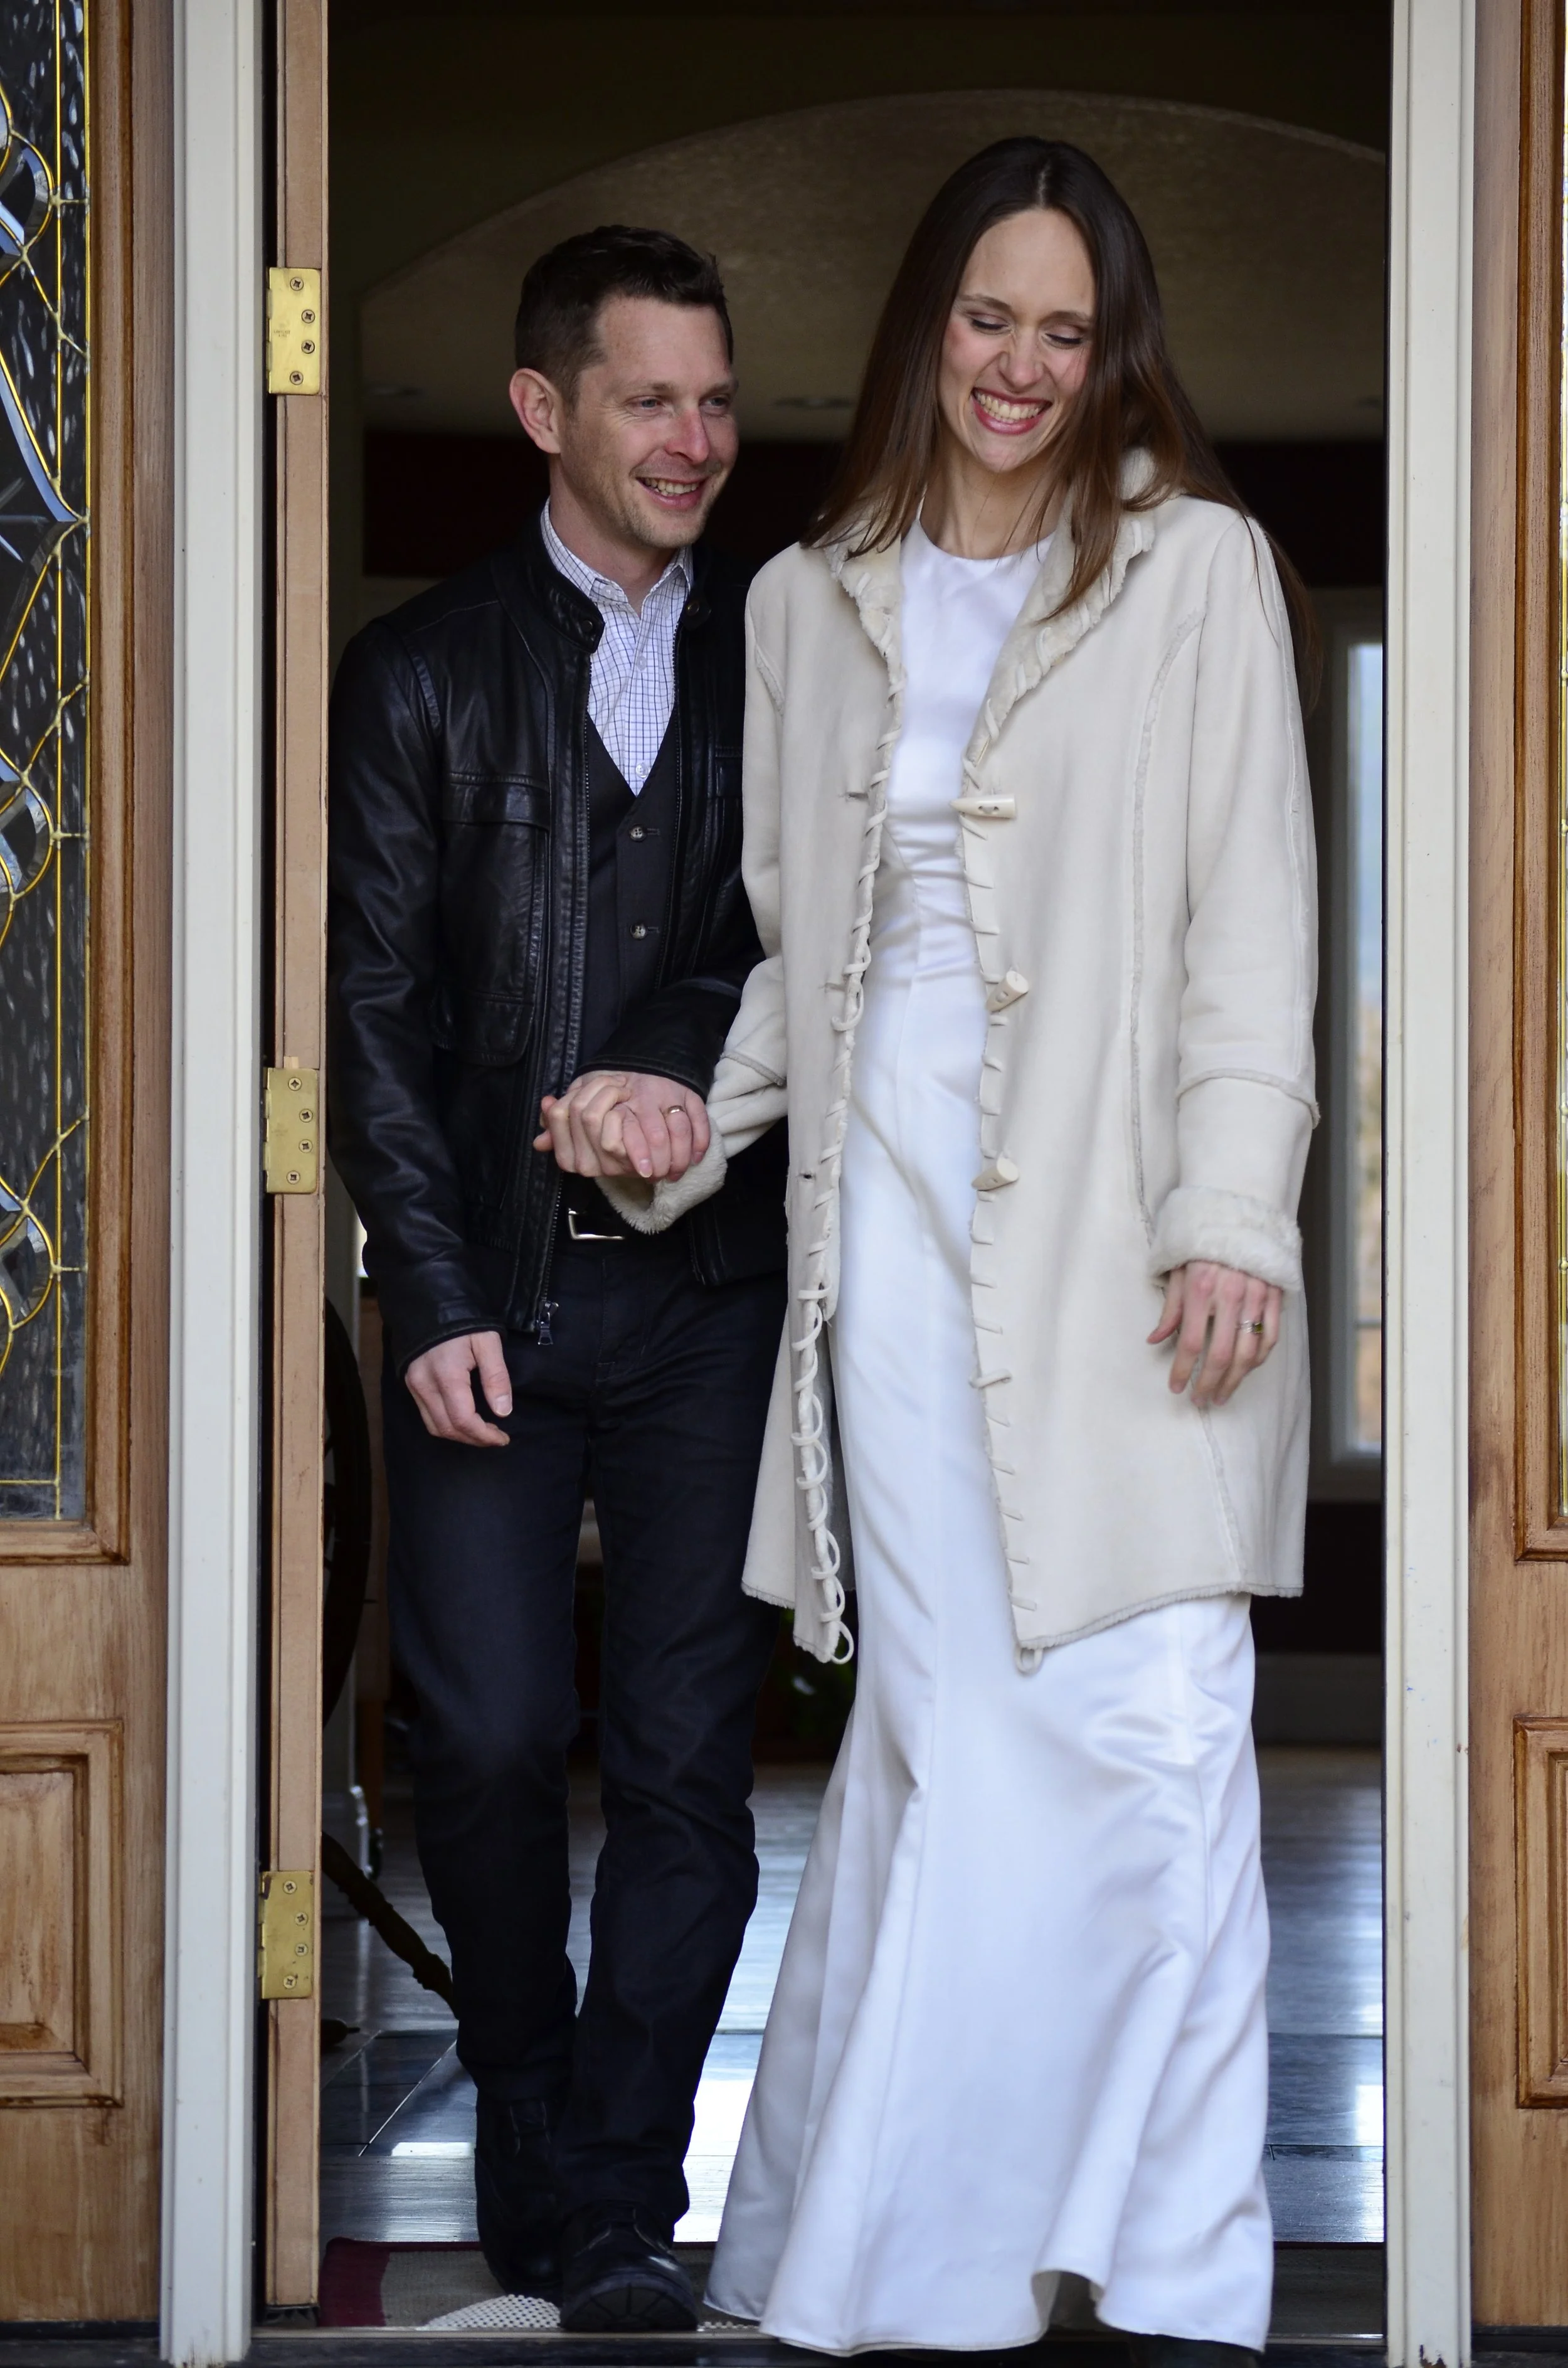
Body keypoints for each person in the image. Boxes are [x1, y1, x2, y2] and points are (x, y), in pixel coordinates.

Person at [595, 141, 1317, 2362]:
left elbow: (1251, 917)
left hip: (1126, 1217)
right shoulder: (808, 600)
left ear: (1111, 356)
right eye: (986, 318)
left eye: (1062, 331)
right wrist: (676, 1126)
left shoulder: (1194, 568)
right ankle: (918, 2260)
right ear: (927, 326)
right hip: (890, 1233)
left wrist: (1230, 1210)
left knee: (1158, 1725)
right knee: (954, 1732)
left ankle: (1163, 2262)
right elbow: (813, 957)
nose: (1018, 366)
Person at [326, 225, 789, 2335]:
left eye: (714, 399)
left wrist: (675, 1055)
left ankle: (617, 2189)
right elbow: (369, 1015)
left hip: (714, 1306)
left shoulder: (784, 662)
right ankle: (523, 2103)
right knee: (497, 1735)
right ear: (544, 409)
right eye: (647, 398)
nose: (694, 438)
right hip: (489, 1298)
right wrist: (428, 1292)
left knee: (689, 1763)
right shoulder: (416, 674)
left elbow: (802, 936)